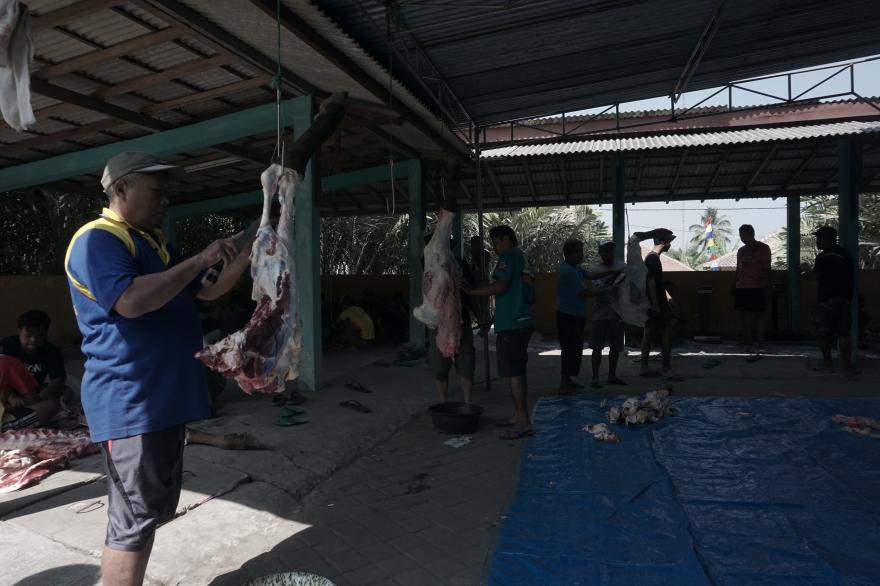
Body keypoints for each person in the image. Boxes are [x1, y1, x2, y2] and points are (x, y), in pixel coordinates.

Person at [466, 225, 534, 440]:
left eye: (495, 243)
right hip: (519, 321)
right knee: (517, 371)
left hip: (513, 325)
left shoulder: (509, 256)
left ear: (505, 238)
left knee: (514, 373)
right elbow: (517, 293)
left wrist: (472, 291)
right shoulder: (521, 258)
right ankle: (519, 415)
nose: (495, 248)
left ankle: (523, 421)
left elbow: (500, 286)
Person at [426, 236, 479, 404]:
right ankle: (442, 401)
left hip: (461, 322)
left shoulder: (461, 265)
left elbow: (472, 294)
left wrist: (479, 316)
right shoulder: (429, 266)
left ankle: (468, 401)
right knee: (439, 366)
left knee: (466, 363)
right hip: (438, 324)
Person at [801, 225, 857, 376]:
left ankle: (827, 364)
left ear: (827, 239)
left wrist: (804, 272)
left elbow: (816, 276)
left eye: (819, 238)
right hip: (844, 299)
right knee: (844, 334)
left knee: (822, 333)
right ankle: (846, 367)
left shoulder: (824, 257)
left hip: (826, 300)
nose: (817, 242)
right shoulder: (846, 255)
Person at [1, 310, 71, 412]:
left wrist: (41, 397)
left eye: (40, 336)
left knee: (67, 391)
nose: (33, 340)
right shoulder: (5, 347)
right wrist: (11, 397)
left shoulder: (52, 351)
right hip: (9, 390)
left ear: (46, 334)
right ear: (19, 331)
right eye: (28, 335)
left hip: (34, 390)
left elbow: (58, 379)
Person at [634, 229, 676, 378]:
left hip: (654, 302)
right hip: (656, 304)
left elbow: (657, 282)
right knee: (666, 332)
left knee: (649, 333)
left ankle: (644, 367)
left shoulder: (653, 258)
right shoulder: (652, 259)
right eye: (668, 241)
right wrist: (656, 304)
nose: (670, 245)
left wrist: (667, 296)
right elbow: (651, 281)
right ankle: (665, 368)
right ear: (662, 242)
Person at [589, 240, 628, 388]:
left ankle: (612, 376)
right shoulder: (594, 270)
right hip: (599, 314)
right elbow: (597, 290)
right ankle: (595, 377)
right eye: (605, 250)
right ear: (600, 253)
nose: (608, 253)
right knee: (597, 347)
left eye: (610, 250)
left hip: (617, 314)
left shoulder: (622, 266)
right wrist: (613, 280)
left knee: (615, 348)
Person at [733, 224, 772, 360]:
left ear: (751, 234)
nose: (742, 238)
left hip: (758, 286)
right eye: (740, 235)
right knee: (744, 314)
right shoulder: (741, 251)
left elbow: (767, 268)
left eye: (744, 235)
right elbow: (738, 269)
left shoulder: (763, 248)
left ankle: (759, 340)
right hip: (742, 287)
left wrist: (768, 285)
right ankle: (748, 339)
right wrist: (733, 284)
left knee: (758, 315)